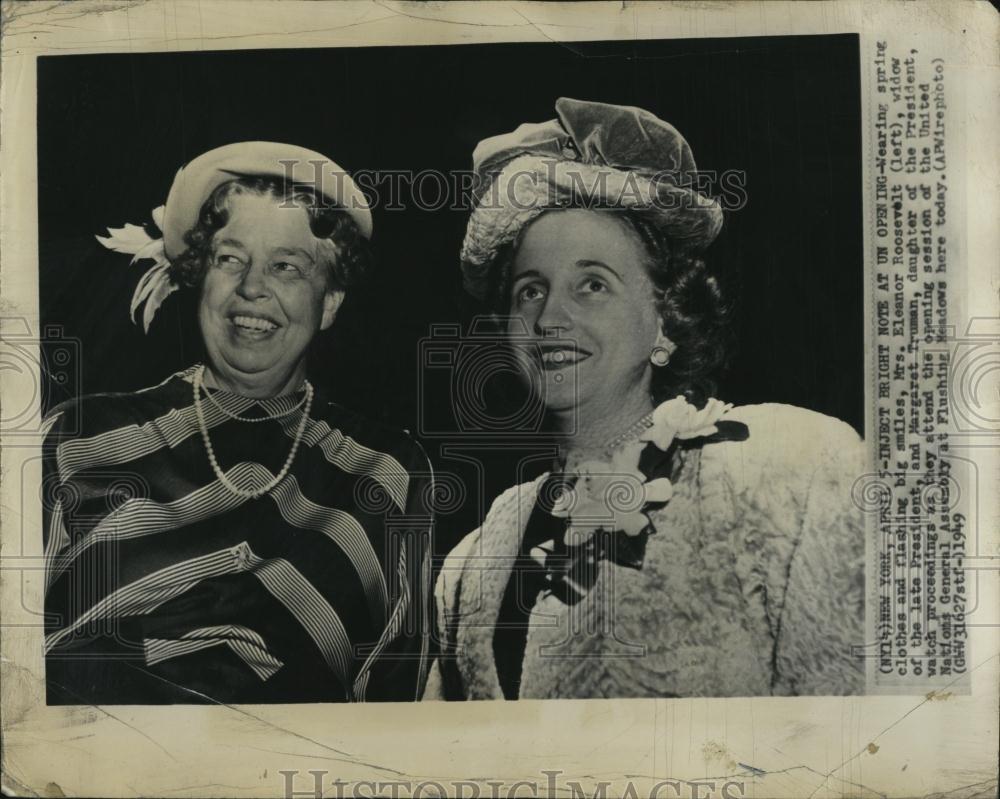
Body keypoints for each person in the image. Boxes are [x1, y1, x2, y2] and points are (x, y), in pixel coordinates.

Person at [424, 98, 866, 700]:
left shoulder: (791, 472)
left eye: (593, 284)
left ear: (666, 319)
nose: (551, 316)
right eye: (531, 290)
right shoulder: (472, 562)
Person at [43, 142, 432, 704]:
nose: (253, 287)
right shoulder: (76, 437)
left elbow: (397, 709)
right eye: (230, 258)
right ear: (199, 275)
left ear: (330, 302)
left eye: (287, 267)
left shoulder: (385, 472)